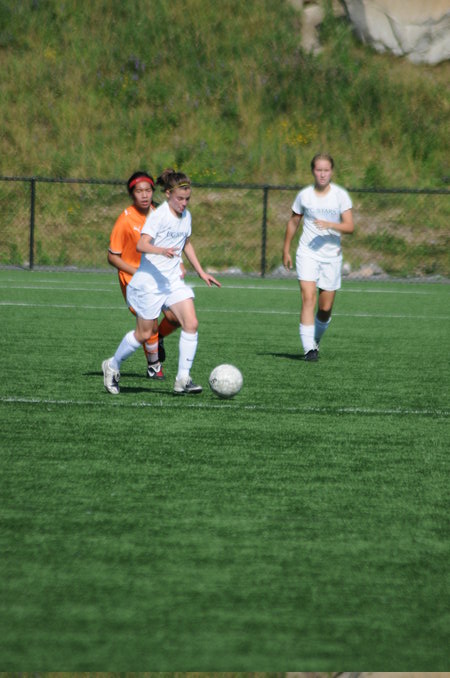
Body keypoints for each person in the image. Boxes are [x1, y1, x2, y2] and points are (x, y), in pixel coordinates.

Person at [102, 168, 221, 395]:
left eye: (187, 199)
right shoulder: (158, 216)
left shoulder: (186, 216)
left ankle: (182, 379)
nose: (184, 203)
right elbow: (141, 244)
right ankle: (112, 364)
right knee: (144, 334)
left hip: (171, 281)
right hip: (150, 283)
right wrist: (161, 250)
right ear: (168, 194)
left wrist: (201, 272)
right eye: (180, 199)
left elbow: (186, 243)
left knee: (191, 323)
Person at [107, 171, 182, 380]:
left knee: (176, 318)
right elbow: (112, 257)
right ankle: (154, 366)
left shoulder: (159, 214)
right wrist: (137, 272)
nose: (144, 195)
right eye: (139, 191)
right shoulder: (125, 220)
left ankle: (157, 340)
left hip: (158, 275)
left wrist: (179, 264)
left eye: (148, 190)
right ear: (132, 194)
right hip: (133, 279)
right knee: (151, 324)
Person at [282, 153, 354, 361]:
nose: (322, 174)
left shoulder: (340, 195)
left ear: (331, 171)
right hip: (307, 253)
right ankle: (309, 350)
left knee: (325, 309)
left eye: (326, 170)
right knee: (308, 297)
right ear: (313, 171)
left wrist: (330, 224)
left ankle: (314, 341)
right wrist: (286, 249)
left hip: (332, 257)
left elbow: (350, 226)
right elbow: (293, 222)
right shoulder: (304, 195)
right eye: (319, 170)